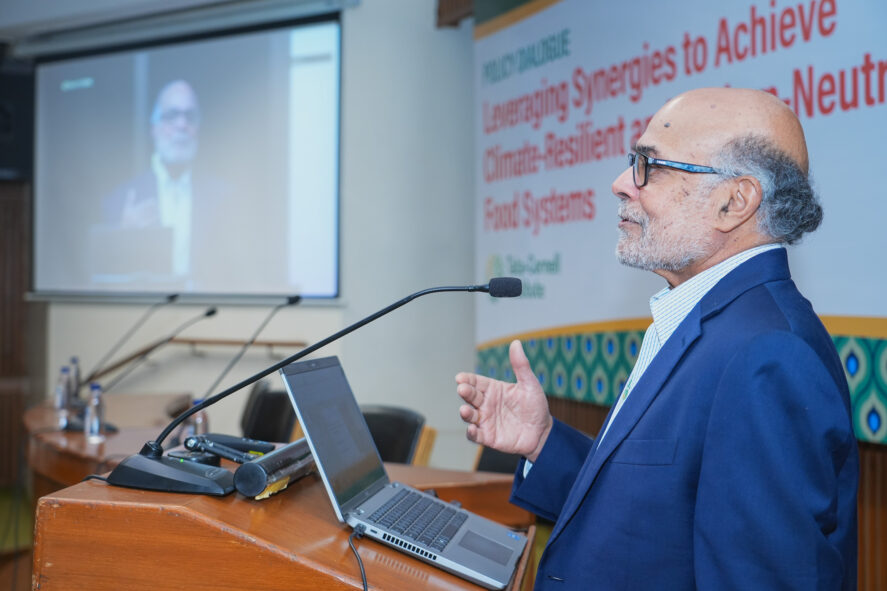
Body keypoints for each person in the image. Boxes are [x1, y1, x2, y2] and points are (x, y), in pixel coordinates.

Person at [456, 87, 858, 590]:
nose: (621, 183)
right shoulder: (713, 318)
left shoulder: (768, 357)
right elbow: (655, 524)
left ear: (734, 202)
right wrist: (543, 443)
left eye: (649, 165)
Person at [101, 79, 237, 288]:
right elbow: (106, 274)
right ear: (154, 128)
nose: (181, 125)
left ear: (198, 128)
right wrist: (125, 233)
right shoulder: (122, 199)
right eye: (171, 116)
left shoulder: (224, 198)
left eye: (190, 117)